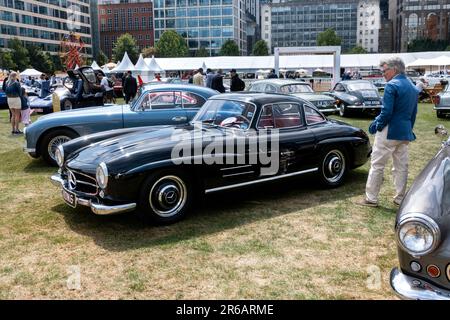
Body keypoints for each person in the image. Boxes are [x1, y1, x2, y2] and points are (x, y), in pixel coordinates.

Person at [357, 57, 418, 207]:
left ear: (394, 69)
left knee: (377, 164)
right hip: (404, 131)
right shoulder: (412, 86)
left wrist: (378, 124)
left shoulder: (392, 85)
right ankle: (399, 198)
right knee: (401, 166)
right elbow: (413, 113)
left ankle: (371, 198)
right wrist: (409, 129)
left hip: (389, 130)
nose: (383, 74)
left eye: (384, 71)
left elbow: (386, 112)